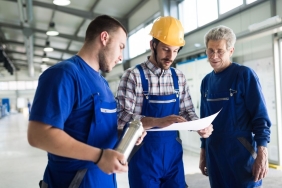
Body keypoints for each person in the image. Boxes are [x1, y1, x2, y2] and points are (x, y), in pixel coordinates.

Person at [27, 15, 145, 188]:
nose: (121, 57)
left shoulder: (102, 83)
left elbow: (89, 131)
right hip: (73, 182)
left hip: (103, 180)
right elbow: (38, 135)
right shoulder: (64, 74)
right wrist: (99, 156)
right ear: (104, 38)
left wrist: (127, 136)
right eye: (120, 47)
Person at [116, 16, 213, 188]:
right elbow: (122, 119)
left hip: (173, 160)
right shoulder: (134, 76)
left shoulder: (179, 77)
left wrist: (199, 125)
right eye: (165, 49)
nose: (170, 56)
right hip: (143, 160)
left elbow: (187, 111)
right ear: (152, 45)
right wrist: (157, 122)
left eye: (175, 51)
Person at [199, 25, 271, 188]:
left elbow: (260, 117)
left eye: (220, 51)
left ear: (231, 51)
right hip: (214, 154)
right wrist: (203, 152)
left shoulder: (244, 75)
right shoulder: (206, 82)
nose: (214, 56)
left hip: (241, 154)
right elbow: (203, 122)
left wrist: (262, 152)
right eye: (210, 50)